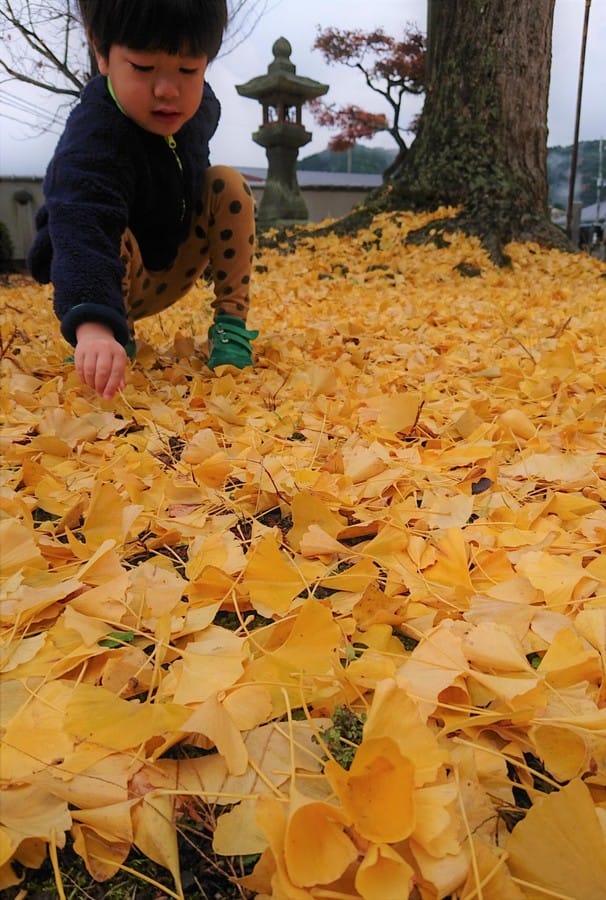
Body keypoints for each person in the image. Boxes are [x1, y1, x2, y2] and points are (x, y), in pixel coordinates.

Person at [28, 0, 258, 400]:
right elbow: (81, 224)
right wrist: (95, 327)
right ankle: (116, 337)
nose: (167, 91)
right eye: (143, 68)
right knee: (98, 225)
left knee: (228, 185)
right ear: (101, 52)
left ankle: (231, 327)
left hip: (175, 262)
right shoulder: (95, 136)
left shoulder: (198, 109)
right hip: (112, 278)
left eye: (188, 70)